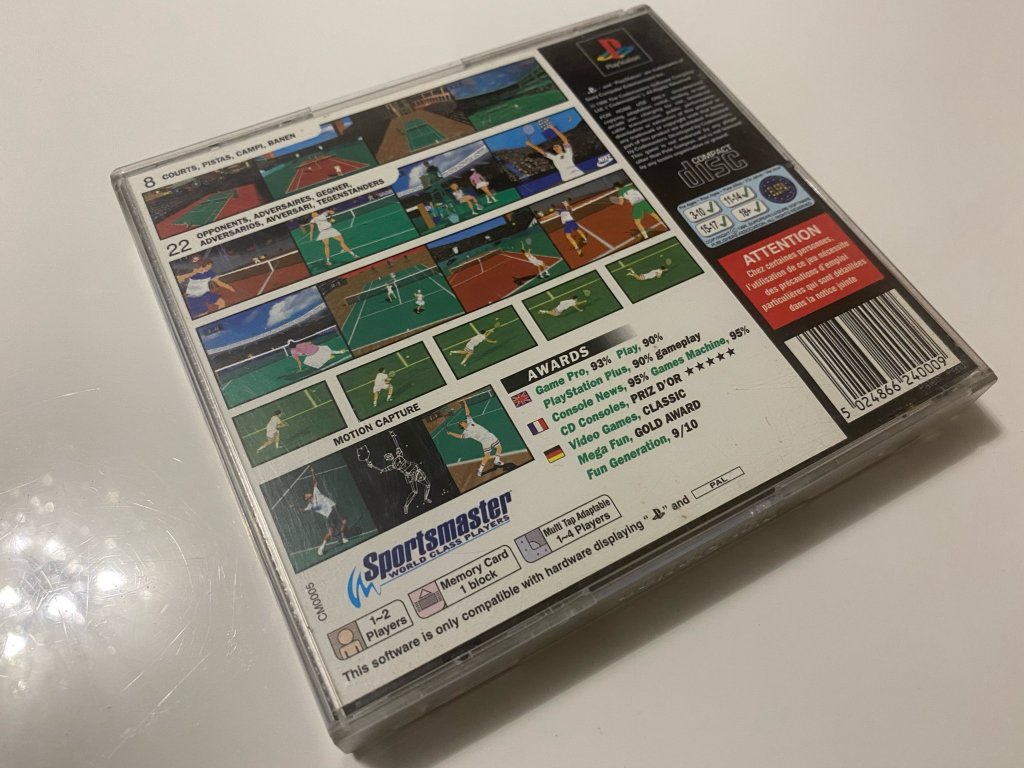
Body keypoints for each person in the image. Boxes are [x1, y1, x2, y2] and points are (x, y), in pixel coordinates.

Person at [356, 432, 431, 516]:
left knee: (428, 485)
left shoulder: (399, 456)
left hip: (416, 470)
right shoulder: (393, 466)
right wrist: (372, 466)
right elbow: (382, 470)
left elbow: (397, 446)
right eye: (388, 457)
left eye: (389, 455)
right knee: (415, 491)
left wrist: (393, 436)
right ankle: (406, 506)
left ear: (392, 455)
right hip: (410, 475)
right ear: (388, 459)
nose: (389, 456)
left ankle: (425, 498)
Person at [294, 469, 348, 557]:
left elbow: (314, 482)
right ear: (306, 499)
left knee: (344, 522)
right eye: (307, 495)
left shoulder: (315, 492)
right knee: (330, 533)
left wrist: (312, 472)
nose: (308, 493)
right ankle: (322, 547)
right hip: (329, 515)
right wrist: (295, 507)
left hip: (334, 508)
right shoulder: (310, 506)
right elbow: (303, 510)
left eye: (308, 493)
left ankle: (343, 536)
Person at [446, 400, 504, 477]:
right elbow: (459, 436)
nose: (463, 421)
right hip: (484, 441)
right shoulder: (465, 433)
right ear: (462, 426)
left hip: (489, 435)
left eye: (462, 421)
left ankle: (497, 461)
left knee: (499, 447)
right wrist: (451, 433)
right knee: (487, 456)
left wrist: (465, 402)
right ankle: (480, 470)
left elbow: (467, 413)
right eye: (461, 422)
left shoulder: (470, 421)